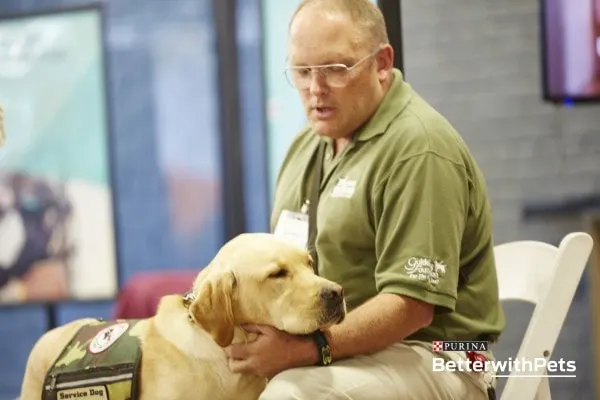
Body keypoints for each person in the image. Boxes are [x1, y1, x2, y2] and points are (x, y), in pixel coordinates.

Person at [224, 0, 505, 398]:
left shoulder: (419, 148)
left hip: (442, 356)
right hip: (339, 354)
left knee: (293, 395)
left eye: (335, 69)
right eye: (302, 71)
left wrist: (310, 349)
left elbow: (411, 305)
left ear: (382, 63)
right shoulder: (306, 146)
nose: (315, 89)